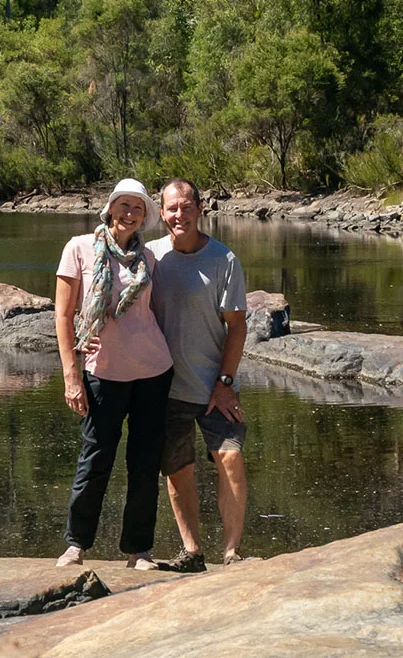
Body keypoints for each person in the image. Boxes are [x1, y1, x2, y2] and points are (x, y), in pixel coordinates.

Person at [53, 178, 174, 569]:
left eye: (138, 208)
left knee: (144, 463)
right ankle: (76, 544)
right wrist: (71, 374)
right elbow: (64, 315)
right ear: (109, 209)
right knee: (95, 458)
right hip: (101, 371)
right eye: (124, 205)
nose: (130, 213)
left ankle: (139, 550)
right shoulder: (79, 248)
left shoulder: (149, 259)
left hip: (153, 371)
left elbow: (155, 314)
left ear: (144, 217)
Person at [147, 178, 248, 570]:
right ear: (161, 213)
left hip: (215, 386)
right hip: (166, 388)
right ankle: (192, 552)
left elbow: (236, 326)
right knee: (177, 469)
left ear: (200, 209)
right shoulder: (151, 256)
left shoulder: (223, 260)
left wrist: (225, 383)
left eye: (186, 206)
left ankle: (232, 552)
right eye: (171, 208)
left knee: (230, 459)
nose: (179, 215)